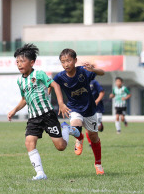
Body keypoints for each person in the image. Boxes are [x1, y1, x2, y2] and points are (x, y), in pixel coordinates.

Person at [7, 44, 79, 180]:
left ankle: (65, 128)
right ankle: (40, 173)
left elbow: (55, 85)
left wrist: (61, 103)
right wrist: (14, 110)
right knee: (29, 142)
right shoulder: (20, 81)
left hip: (47, 115)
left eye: (22, 61)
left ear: (32, 62)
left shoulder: (38, 74)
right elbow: (24, 99)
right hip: (33, 118)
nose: (19, 64)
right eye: (17, 61)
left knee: (61, 147)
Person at [54, 49, 106, 175]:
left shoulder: (83, 71)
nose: (66, 64)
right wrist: (59, 101)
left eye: (68, 61)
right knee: (75, 127)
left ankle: (98, 164)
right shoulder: (60, 76)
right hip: (74, 108)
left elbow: (102, 73)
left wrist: (93, 69)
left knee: (94, 138)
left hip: (90, 109)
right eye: (63, 62)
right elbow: (53, 83)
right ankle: (79, 137)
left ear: (75, 60)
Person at [85, 79, 105, 146]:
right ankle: (90, 143)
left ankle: (100, 124)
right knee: (87, 127)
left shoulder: (94, 82)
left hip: (97, 107)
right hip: (87, 107)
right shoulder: (81, 82)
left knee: (98, 128)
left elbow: (102, 92)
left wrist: (97, 101)